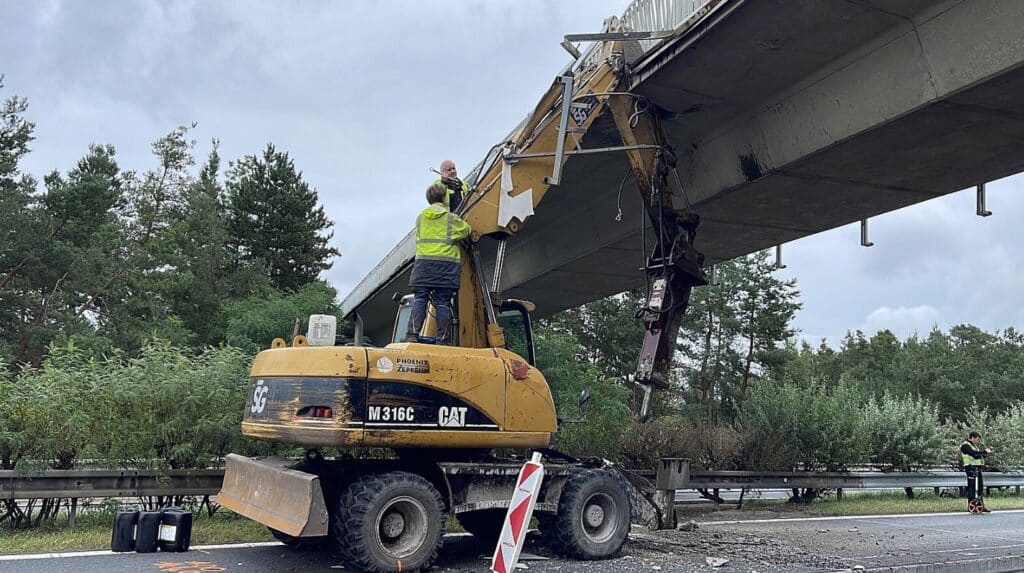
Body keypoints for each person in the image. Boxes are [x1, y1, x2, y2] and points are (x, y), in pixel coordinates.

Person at [405, 182, 472, 343]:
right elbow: (466, 230)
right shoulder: (450, 219)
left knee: (420, 298)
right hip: (445, 267)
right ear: (444, 198)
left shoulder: (420, 218)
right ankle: (443, 339)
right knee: (443, 302)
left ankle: (412, 335)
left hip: (423, 266)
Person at [961, 431, 992, 513]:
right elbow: (973, 454)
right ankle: (971, 505)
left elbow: (978, 455)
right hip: (970, 468)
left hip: (977, 469)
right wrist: (984, 452)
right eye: (977, 440)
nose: (978, 441)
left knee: (980, 487)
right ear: (972, 438)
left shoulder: (974, 446)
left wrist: (985, 454)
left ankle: (980, 505)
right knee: (972, 487)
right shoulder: (965, 446)